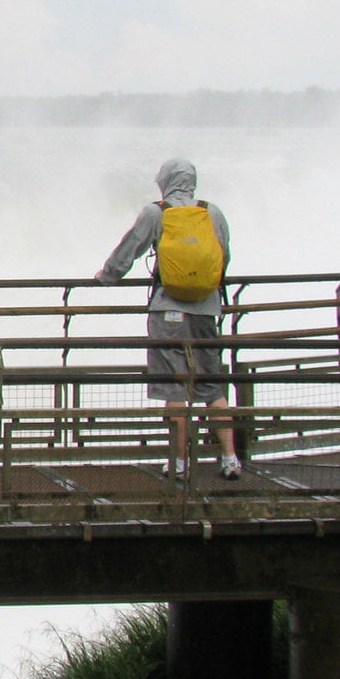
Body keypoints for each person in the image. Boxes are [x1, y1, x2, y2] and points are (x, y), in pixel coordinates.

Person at [95, 158, 242, 479]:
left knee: (175, 389)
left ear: (165, 181)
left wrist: (107, 277)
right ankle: (230, 458)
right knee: (211, 384)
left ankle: (178, 464)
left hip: (167, 312)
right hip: (206, 308)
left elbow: (129, 249)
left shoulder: (156, 212)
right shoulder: (212, 212)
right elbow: (224, 255)